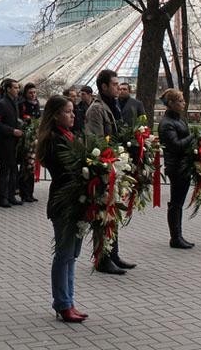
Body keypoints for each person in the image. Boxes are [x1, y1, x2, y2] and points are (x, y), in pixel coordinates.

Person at [35, 95, 87, 323]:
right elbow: (67, 170)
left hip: (77, 202)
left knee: (71, 255)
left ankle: (69, 301)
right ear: (56, 115)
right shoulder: (54, 140)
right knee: (64, 255)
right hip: (64, 202)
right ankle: (62, 303)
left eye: (73, 111)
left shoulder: (69, 135)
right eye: (68, 111)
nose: (73, 115)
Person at [84, 69, 135, 274]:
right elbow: (95, 140)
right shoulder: (96, 109)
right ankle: (102, 258)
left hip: (115, 164)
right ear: (104, 86)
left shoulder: (113, 106)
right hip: (104, 167)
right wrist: (108, 159)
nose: (117, 87)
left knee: (112, 212)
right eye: (114, 84)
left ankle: (113, 254)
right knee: (103, 214)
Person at [158, 89, 195, 249]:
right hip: (176, 167)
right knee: (176, 202)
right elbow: (175, 146)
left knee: (178, 202)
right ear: (171, 104)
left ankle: (178, 235)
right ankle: (175, 237)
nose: (183, 103)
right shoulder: (167, 124)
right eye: (180, 101)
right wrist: (193, 137)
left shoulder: (179, 120)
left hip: (183, 166)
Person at [0, 79, 23, 208]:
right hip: (5, 142)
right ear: (8, 89)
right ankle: (3, 197)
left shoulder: (14, 102)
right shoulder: (1, 104)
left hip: (14, 142)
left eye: (18, 87)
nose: (17, 90)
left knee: (14, 170)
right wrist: (12, 131)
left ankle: (11, 195)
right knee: (5, 171)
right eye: (15, 88)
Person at [17, 82, 41, 203]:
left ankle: (30, 193)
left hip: (34, 138)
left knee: (32, 166)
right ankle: (23, 193)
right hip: (26, 139)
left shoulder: (37, 104)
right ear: (26, 93)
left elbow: (38, 118)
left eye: (34, 92)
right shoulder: (22, 104)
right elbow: (20, 119)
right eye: (30, 93)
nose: (33, 95)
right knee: (26, 166)